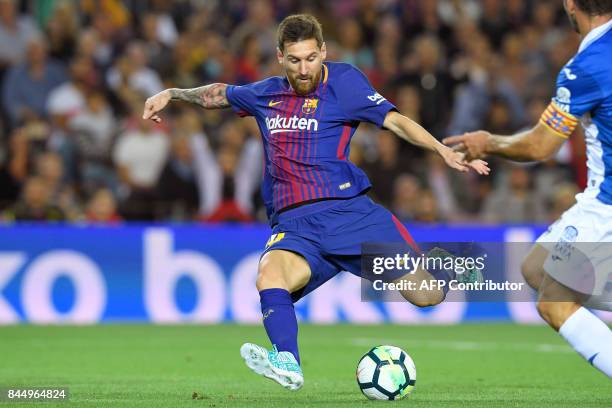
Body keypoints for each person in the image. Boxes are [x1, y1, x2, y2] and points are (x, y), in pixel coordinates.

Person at [143, 14, 489, 390]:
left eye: (311, 58)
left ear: (323, 51)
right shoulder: (267, 94)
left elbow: (394, 121)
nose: (304, 69)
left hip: (349, 216)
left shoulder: (345, 82)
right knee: (269, 276)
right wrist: (174, 93)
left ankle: (455, 264)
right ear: (280, 57)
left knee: (427, 295)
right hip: (295, 226)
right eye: (295, 60)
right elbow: (219, 94)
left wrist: (440, 149)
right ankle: (288, 363)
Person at [444, 0, 612, 379]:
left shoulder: (586, 67)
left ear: (571, 4)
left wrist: (489, 142)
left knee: (554, 303)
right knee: (536, 267)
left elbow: (541, 146)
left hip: (607, 203)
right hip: (599, 201)